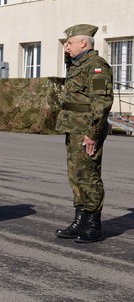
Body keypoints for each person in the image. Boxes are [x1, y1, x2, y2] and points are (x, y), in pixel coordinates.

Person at [54, 24, 113, 243]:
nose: (66, 46)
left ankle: (94, 224)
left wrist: (94, 133)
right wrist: (68, 55)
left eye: (69, 43)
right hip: (73, 127)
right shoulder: (79, 64)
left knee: (89, 176)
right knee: (75, 176)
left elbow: (102, 102)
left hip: (87, 129)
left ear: (83, 43)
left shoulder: (97, 67)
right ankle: (81, 219)